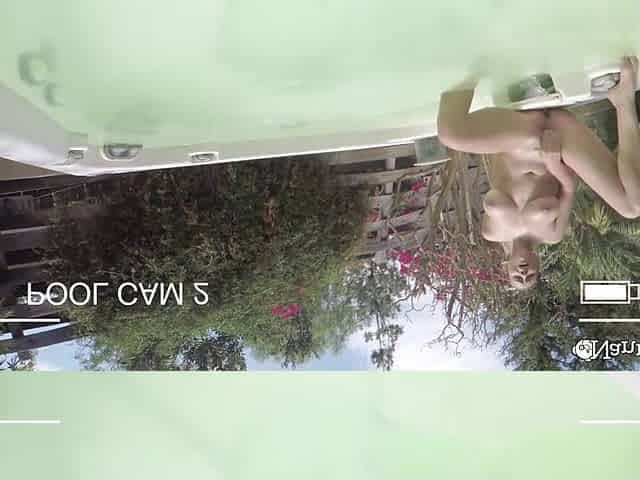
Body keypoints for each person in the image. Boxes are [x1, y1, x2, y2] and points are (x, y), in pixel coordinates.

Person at [437, 56, 640, 289]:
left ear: (506, 267)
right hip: (558, 138)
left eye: (517, 277)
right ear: (539, 265)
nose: (523, 273)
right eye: (530, 276)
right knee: (632, 206)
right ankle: (623, 102)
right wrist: (554, 164)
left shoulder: (492, 232)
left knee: (450, 133)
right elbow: (569, 187)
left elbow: (493, 167)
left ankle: (467, 61)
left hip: (520, 135)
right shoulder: (552, 234)